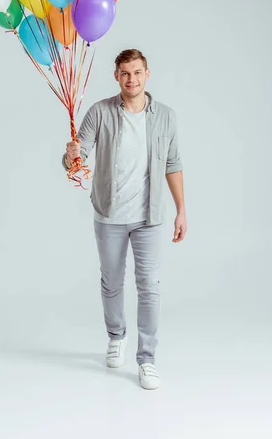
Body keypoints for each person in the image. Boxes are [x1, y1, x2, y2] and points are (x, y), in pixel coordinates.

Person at [62, 49, 187, 390]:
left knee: (149, 287)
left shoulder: (166, 116)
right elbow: (79, 157)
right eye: (125, 73)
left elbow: (172, 164)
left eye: (137, 72)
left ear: (147, 74)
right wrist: (71, 156)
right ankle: (116, 336)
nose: (131, 79)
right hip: (109, 215)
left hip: (149, 216)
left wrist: (181, 210)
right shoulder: (100, 113)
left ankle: (147, 359)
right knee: (112, 282)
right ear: (116, 76)